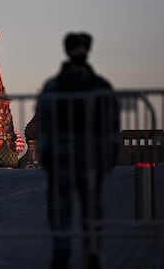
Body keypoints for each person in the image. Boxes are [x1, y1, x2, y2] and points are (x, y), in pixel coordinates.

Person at [36, 32, 120, 269]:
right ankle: (61, 254)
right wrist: (47, 154)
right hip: (63, 160)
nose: (79, 52)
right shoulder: (54, 87)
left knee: (91, 209)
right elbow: (44, 123)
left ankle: (92, 252)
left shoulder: (99, 86)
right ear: (68, 51)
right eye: (76, 48)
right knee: (61, 210)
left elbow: (111, 123)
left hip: (90, 158)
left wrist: (109, 155)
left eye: (82, 48)